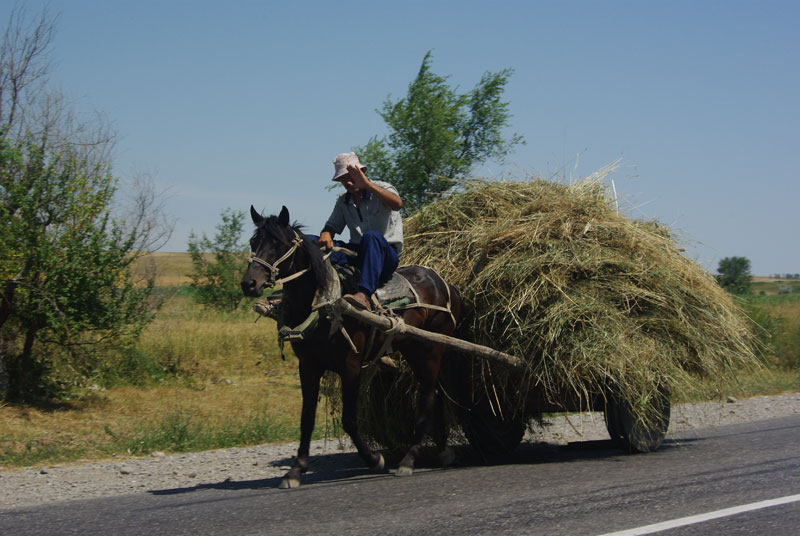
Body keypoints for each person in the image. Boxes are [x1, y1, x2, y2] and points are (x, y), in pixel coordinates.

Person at [318, 152, 403, 310]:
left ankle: (364, 294)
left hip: (384, 254)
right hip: (357, 253)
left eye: (351, 176)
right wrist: (326, 233)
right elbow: (332, 226)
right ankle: (292, 294)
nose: (348, 182)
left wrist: (368, 186)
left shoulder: (382, 188)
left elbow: (397, 204)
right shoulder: (344, 200)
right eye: (343, 179)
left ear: (361, 173)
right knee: (308, 241)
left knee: (371, 237)